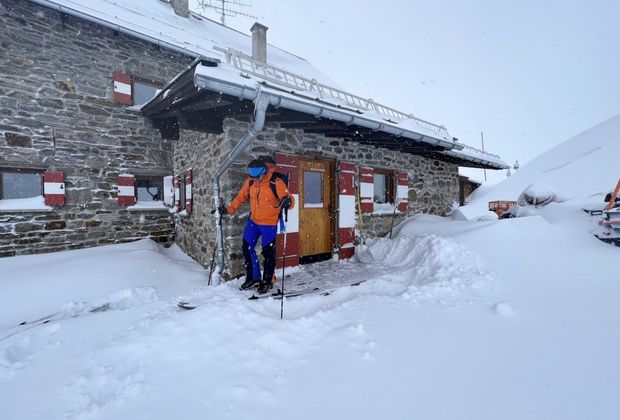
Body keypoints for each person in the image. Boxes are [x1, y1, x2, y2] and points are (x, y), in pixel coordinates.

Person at [217, 157, 294, 294]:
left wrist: (288, 201)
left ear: (264, 171)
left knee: (268, 253)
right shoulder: (251, 181)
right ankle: (253, 277)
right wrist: (228, 210)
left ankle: (268, 280)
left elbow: (288, 197)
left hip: (269, 224)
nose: (256, 178)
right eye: (253, 175)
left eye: (258, 176)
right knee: (247, 248)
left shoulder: (275, 181)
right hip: (253, 221)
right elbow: (241, 197)